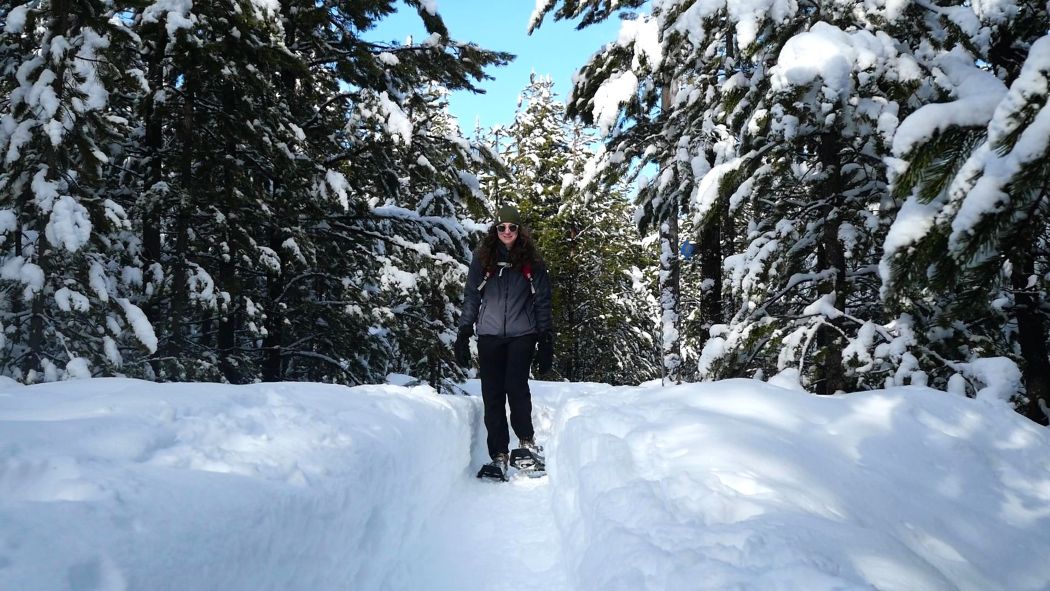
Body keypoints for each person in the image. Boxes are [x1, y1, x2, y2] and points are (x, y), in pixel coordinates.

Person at [455, 205, 554, 480]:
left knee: (516, 387)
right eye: (502, 227)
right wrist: (464, 331)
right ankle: (498, 454)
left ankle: (526, 442)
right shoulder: (483, 260)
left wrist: (546, 338)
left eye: (512, 227)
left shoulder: (532, 262)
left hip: (523, 334)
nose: (507, 232)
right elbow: (472, 297)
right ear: (495, 230)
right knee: (493, 394)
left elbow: (542, 301)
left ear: (519, 230)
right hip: (489, 335)